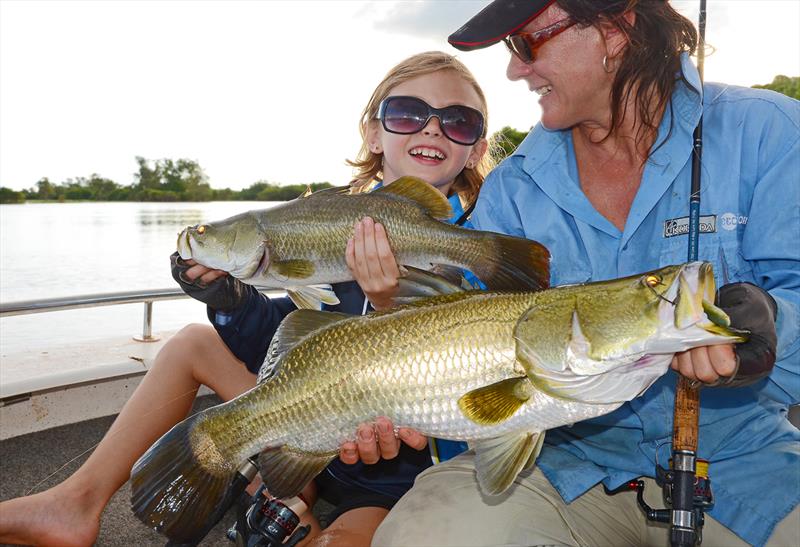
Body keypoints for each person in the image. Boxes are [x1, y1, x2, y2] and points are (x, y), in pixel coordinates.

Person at [0, 51, 490, 547]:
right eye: (408, 113)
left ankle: (291, 509)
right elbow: (287, 336)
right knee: (193, 341)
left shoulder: (483, 246)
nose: (431, 130)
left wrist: (390, 301)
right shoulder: (329, 218)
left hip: (391, 475)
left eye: (458, 121)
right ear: (373, 132)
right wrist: (230, 297)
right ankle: (75, 502)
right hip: (306, 422)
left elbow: (466, 368)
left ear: (476, 149)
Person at [372, 2, 800, 547]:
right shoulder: (511, 189)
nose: (514, 71)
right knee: (420, 535)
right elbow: (464, 340)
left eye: (527, 44)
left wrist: (769, 324)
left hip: (748, 463)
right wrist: (389, 398)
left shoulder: (771, 132)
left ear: (614, 30)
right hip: (559, 465)